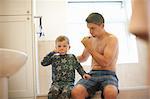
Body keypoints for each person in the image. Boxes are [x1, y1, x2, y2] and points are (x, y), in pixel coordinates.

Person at [71, 13, 119, 99]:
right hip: (93, 74)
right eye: (89, 28)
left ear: (102, 25)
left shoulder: (112, 39)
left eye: (93, 28)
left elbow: (105, 62)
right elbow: (83, 58)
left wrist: (89, 47)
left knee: (111, 92)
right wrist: (68, 58)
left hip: (109, 74)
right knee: (76, 91)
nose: (90, 31)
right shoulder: (91, 40)